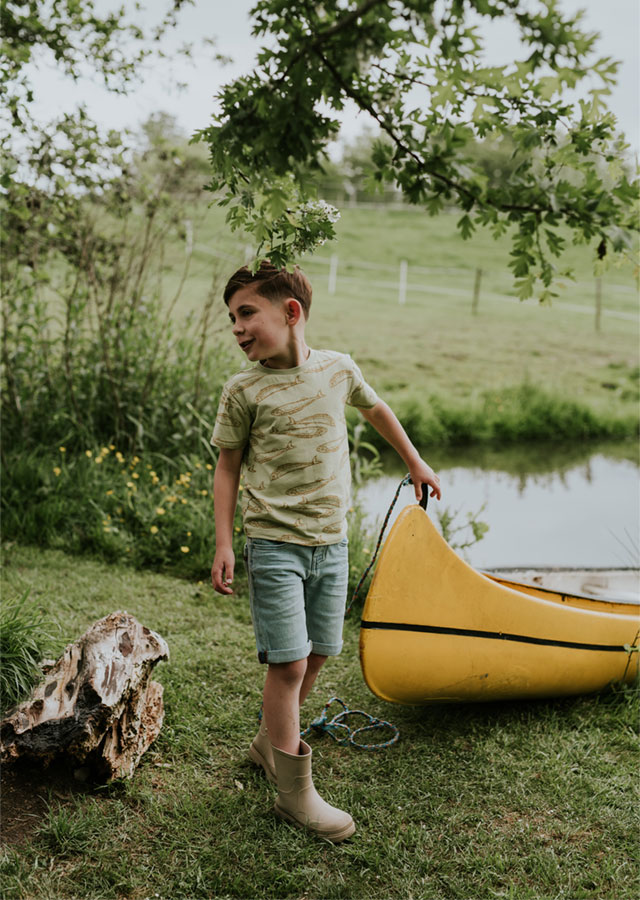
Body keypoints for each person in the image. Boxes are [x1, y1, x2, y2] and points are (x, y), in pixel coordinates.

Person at [211, 262, 441, 842]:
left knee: (317, 652)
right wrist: (224, 542)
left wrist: (415, 461)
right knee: (288, 663)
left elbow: (376, 408)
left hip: (331, 542)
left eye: (246, 313)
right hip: (274, 544)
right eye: (232, 317)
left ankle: (269, 744)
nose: (236, 327)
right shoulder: (244, 390)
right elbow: (227, 467)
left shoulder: (338, 369)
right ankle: (295, 795)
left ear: (291, 312)